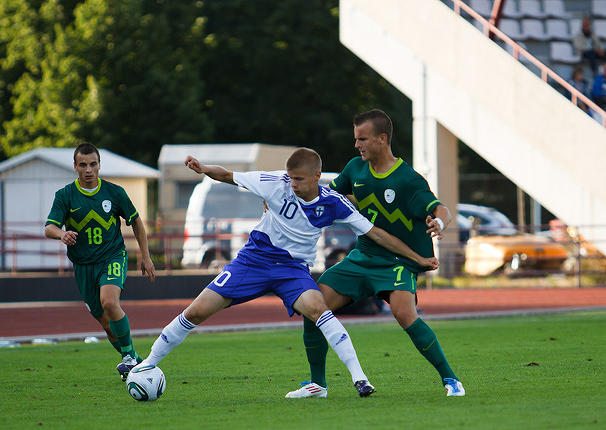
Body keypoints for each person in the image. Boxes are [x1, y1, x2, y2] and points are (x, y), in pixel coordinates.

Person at [138, 148, 438, 398]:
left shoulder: (334, 203)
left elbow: (377, 234)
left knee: (318, 309)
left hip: (293, 270)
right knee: (196, 311)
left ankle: (360, 379)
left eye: (299, 179)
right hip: (253, 260)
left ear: (317, 177)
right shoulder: (274, 182)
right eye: (290, 177)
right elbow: (228, 176)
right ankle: (146, 365)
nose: (292, 184)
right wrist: (203, 168)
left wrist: (417, 257)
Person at [286, 109, 465, 399]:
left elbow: (441, 209)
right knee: (312, 306)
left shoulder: (408, 180)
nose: (357, 145)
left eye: (362, 139)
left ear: (382, 139)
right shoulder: (355, 169)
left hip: (397, 262)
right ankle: (317, 384)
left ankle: (451, 380)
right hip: (362, 256)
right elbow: (325, 196)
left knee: (405, 314)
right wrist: (280, 199)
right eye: (356, 139)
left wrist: (439, 222)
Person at [45, 142, 156, 381]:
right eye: (83, 164)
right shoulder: (65, 196)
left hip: (112, 256)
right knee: (106, 325)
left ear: (99, 166)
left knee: (109, 302)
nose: (88, 169)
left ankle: (127, 359)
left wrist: (145, 256)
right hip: (83, 266)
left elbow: (136, 221)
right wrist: (61, 234)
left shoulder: (114, 192)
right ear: (75, 166)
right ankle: (136, 363)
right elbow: (49, 227)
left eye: (93, 164)